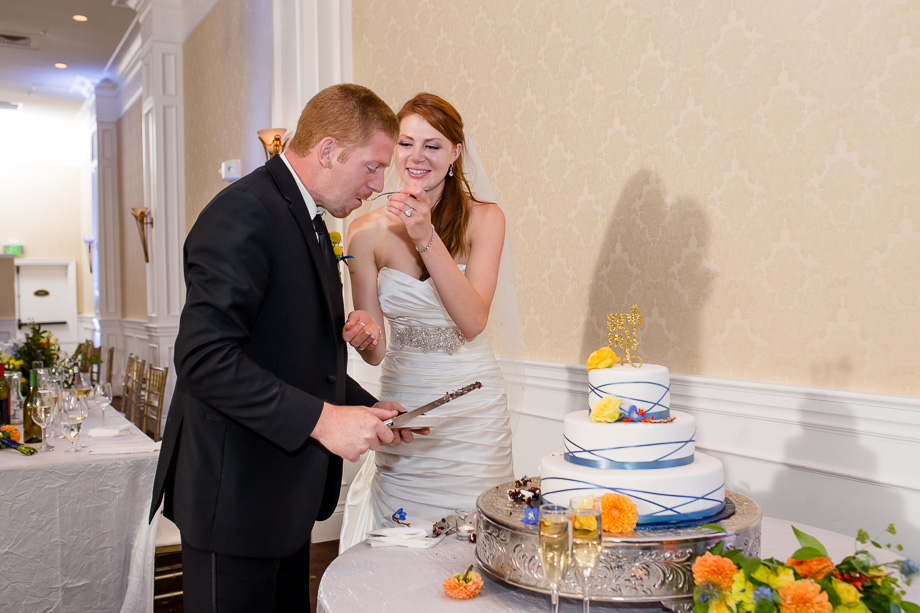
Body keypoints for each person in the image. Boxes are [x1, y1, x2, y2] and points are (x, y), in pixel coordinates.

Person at [150, 84, 420, 612]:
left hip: (283, 500)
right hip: (235, 499)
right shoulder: (244, 212)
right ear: (327, 151)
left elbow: (295, 358)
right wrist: (325, 421)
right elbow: (205, 359)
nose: (377, 185)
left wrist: (367, 409)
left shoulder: (310, 220)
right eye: (370, 167)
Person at [339, 93, 515, 550]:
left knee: (475, 547)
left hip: (472, 414)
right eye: (406, 143)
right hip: (407, 410)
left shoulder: (486, 220)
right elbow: (375, 350)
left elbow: (472, 321)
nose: (416, 158)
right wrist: (362, 336)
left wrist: (425, 236)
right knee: (401, 544)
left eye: (432, 146)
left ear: (456, 153)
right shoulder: (363, 232)